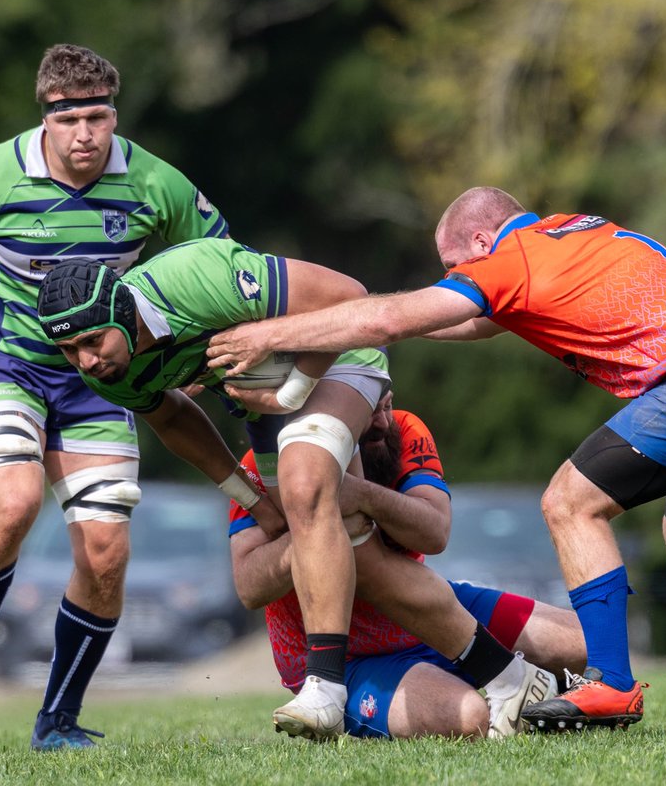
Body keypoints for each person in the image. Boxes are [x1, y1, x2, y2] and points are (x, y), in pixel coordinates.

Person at [207, 187, 666, 736]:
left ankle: (611, 688)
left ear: (478, 243)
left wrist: (270, 335)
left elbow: (388, 315)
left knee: (569, 503)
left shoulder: (506, 261)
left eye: (454, 270)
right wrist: (393, 331)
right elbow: (466, 322)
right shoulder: (573, 233)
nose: (456, 282)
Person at [35, 239, 558, 740]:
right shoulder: (107, 367)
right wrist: (253, 501)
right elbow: (175, 420)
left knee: (307, 486)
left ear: (123, 312)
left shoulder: (197, 279)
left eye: (91, 341)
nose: (85, 361)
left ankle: (325, 687)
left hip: (340, 352)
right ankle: (508, 677)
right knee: (357, 549)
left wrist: (291, 383)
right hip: (266, 399)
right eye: (68, 349)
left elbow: (350, 297)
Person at [0, 44, 233, 752]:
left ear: (114, 115)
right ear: (45, 117)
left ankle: (58, 721)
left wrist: (196, 349)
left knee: (105, 552)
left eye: (99, 117)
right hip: (2, 361)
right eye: (70, 118)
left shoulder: (151, 181)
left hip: (99, 375)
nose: (86, 134)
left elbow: (219, 257)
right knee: (13, 504)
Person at [230, 389, 586, 739]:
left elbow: (435, 532)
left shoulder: (403, 429)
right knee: (469, 719)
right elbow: (249, 587)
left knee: (587, 647)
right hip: (351, 656)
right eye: (368, 412)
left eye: (387, 404)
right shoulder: (264, 467)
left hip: (431, 613)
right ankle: (334, 694)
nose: (383, 422)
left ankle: (545, 689)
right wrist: (315, 529)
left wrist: (363, 496)